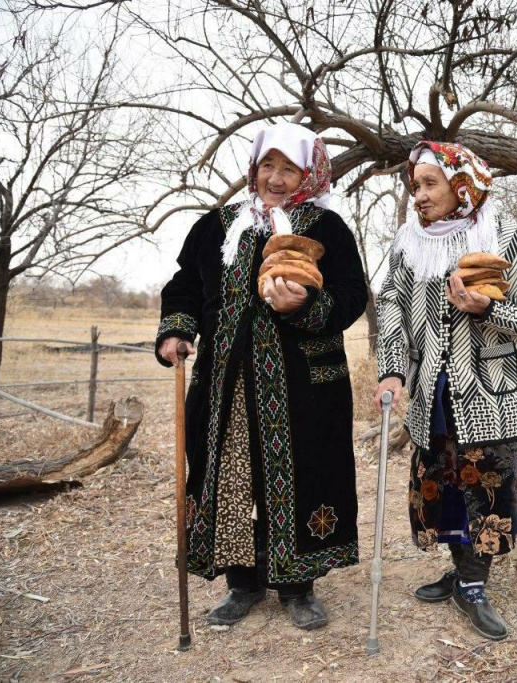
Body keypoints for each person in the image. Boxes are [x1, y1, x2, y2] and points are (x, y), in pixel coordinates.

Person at [156, 122, 368, 631]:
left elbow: (352, 296)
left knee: (302, 475)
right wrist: (176, 331)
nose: (275, 178)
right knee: (231, 478)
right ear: (253, 169)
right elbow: (185, 286)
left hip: (303, 387)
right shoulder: (217, 225)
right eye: (267, 165)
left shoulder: (326, 227)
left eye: (288, 168)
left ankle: (298, 585)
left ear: (308, 174)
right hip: (226, 382)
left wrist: (307, 305)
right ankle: (243, 583)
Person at [373, 141, 517, 640]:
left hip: (492, 391)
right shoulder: (408, 242)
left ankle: (473, 584)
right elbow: (391, 305)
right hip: (433, 387)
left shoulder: (506, 235)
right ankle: (460, 572)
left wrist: (488, 309)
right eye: (415, 186)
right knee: (445, 483)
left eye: (430, 184)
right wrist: (392, 370)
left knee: (487, 483)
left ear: (461, 184)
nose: (419, 195)